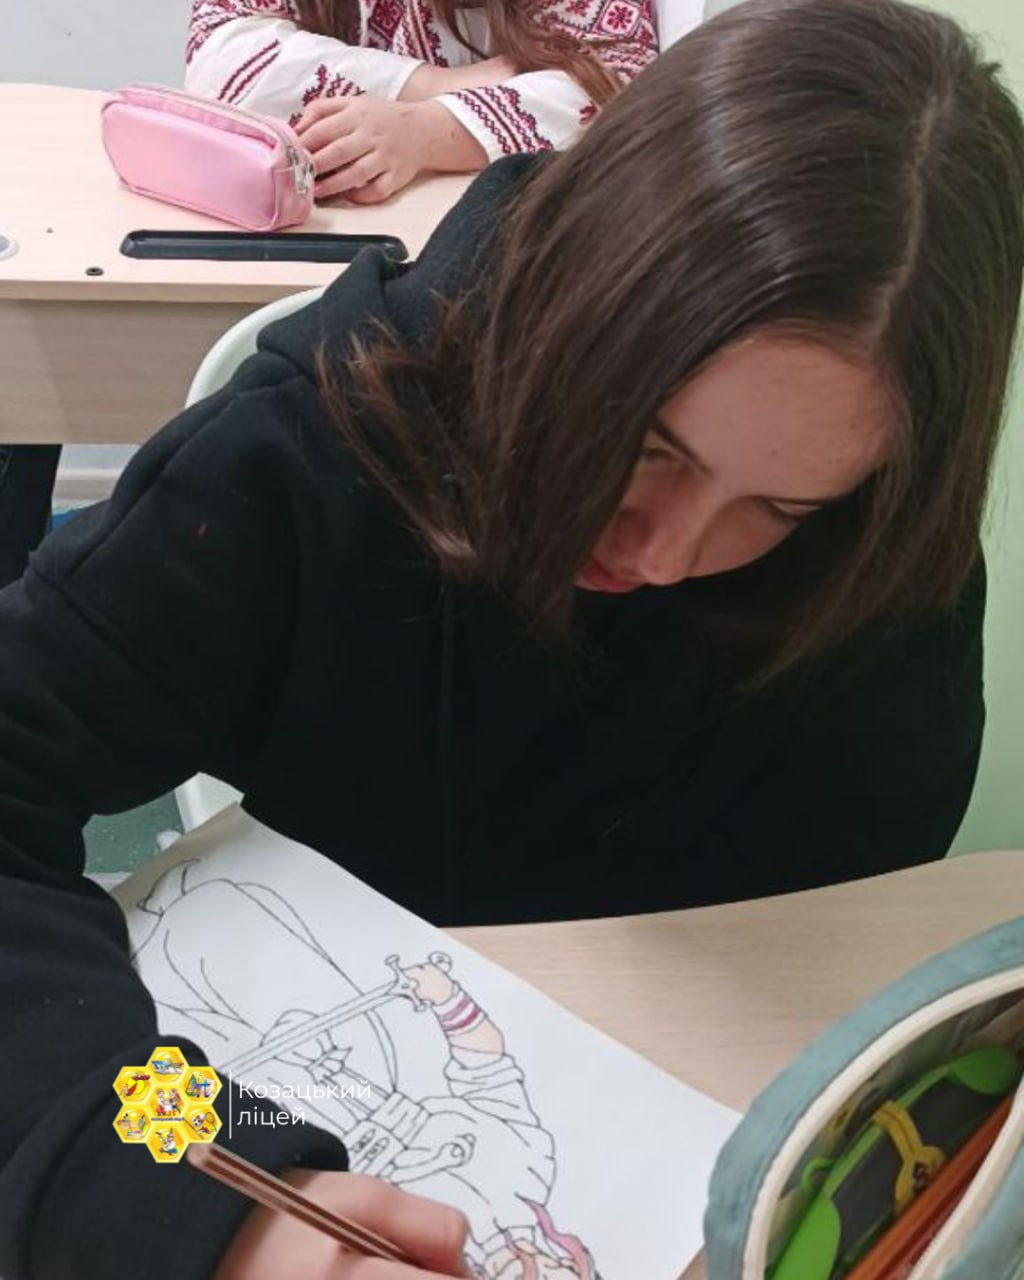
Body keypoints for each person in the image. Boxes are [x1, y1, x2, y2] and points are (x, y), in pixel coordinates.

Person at [1, 0, 1022, 1276]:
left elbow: (837, 937)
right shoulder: (304, 450)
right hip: (284, 1052)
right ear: (563, 304)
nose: (667, 550)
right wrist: (192, 1184)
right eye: (647, 444)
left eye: (779, 507)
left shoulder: (878, 562)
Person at [184, 0, 660, 202]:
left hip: (514, 236)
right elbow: (219, 57)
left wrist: (426, 132)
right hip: (330, 224)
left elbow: (620, 87)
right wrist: (431, 85)